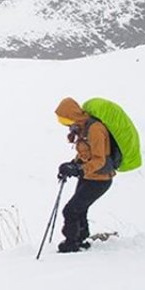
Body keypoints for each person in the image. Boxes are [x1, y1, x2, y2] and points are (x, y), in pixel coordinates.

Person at [54, 98, 116, 253]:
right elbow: (84, 155)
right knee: (79, 209)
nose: (65, 124)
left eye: (65, 119)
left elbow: (99, 160)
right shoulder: (82, 128)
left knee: (71, 210)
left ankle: (71, 243)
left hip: (100, 179)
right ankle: (81, 239)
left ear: (73, 114)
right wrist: (72, 165)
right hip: (89, 177)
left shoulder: (95, 129)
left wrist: (79, 170)